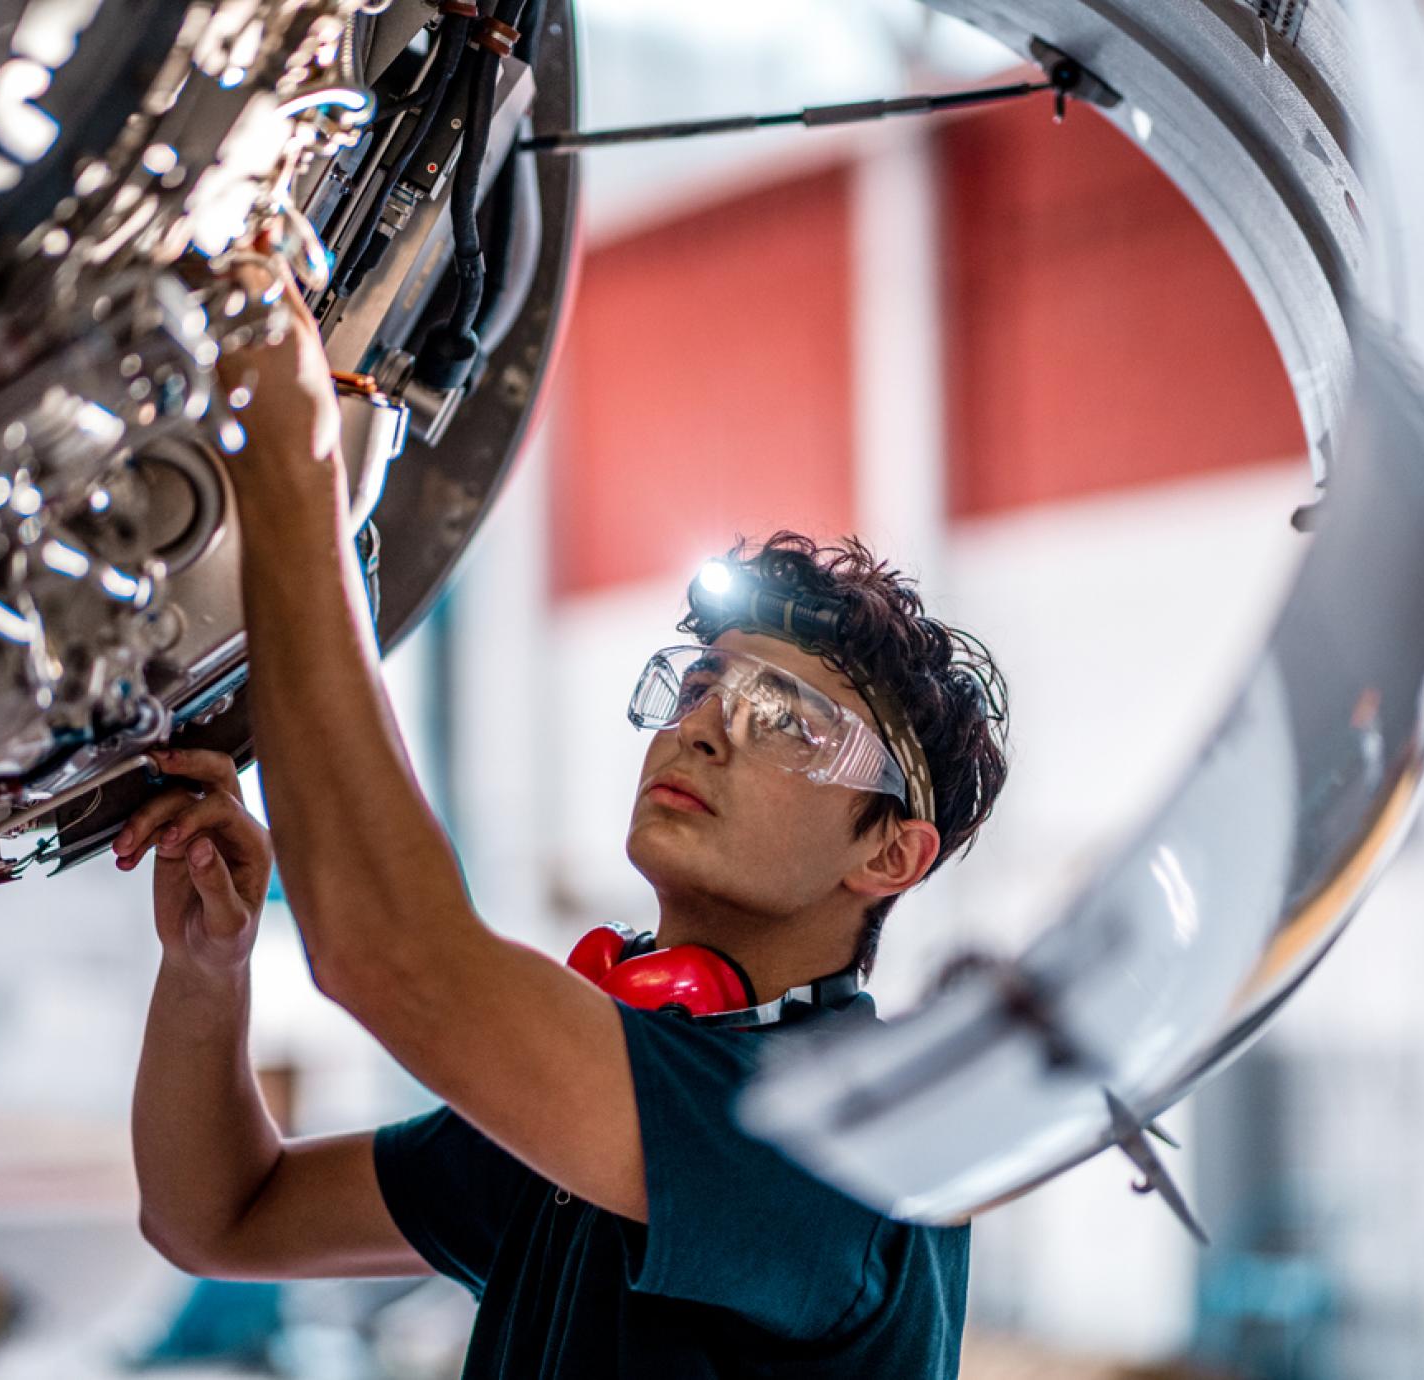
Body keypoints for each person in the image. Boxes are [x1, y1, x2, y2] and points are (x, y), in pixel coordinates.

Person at [122, 269, 1012, 1378]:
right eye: (698, 687)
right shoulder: (630, 1109)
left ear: (889, 852)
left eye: (783, 720)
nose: (700, 731)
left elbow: (394, 957)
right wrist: (210, 972)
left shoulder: (838, 1140)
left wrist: (298, 468)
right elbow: (222, 1216)